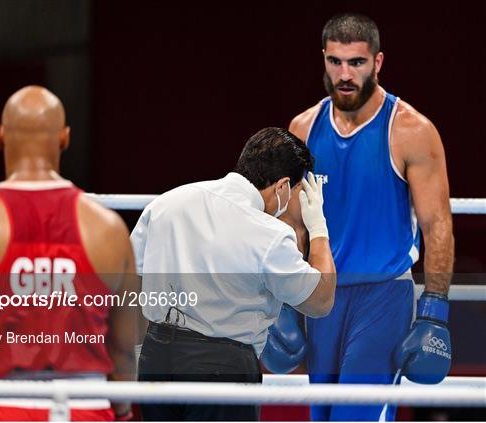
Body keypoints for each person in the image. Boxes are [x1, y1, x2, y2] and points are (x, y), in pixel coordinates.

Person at [262, 13, 454, 421]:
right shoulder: (303, 128)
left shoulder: (410, 130)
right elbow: (291, 226)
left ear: (378, 62)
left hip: (383, 297)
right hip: (323, 301)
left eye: (357, 62)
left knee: (357, 418)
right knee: (323, 416)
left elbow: (438, 225)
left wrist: (435, 311)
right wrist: (286, 305)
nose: (345, 74)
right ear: (324, 60)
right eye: (336, 62)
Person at [0, 86, 139, 421]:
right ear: (64, 138)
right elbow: (123, 348)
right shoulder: (109, 228)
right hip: (85, 409)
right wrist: (122, 412)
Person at [130, 127, 336, 421]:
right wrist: (318, 229)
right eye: (294, 193)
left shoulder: (168, 202)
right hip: (222, 366)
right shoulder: (269, 235)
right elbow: (321, 300)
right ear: (282, 186)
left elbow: (129, 278)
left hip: (155, 355)